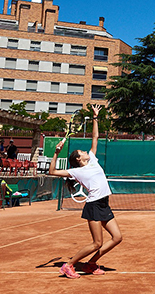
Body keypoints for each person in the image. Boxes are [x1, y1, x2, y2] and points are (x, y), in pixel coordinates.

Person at [49, 105, 122, 279]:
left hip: (104, 203)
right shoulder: (76, 171)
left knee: (117, 237)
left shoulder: (93, 160)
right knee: (97, 243)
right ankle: (69, 265)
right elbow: (52, 172)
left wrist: (95, 117)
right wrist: (56, 153)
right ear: (78, 159)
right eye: (82, 152)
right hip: (94, 206)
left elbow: (95, 136)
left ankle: (90, 264)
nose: (85, 151)